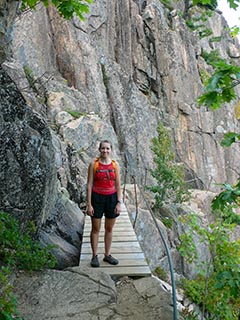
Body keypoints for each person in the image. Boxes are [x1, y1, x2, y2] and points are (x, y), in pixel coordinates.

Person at [86, 140, 122, 268]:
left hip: (111, 198)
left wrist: (119, 203)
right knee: (95, 229)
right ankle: (94, 256)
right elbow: (89, 184)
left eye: (107, 148)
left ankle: (107, 255)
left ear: (111, 150)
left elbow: (118, 185)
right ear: (99, 150)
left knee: (109, 228)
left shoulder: (114, 165)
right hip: (97, 198)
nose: (105, 151)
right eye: (103, 148)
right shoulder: (93, 164)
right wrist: (89, 204)